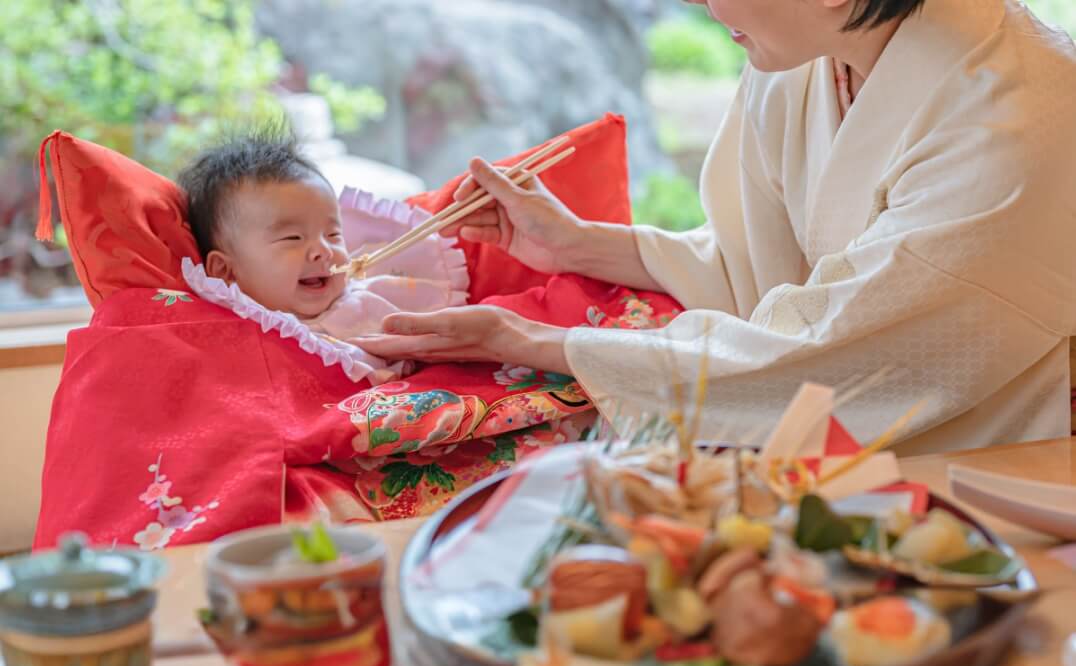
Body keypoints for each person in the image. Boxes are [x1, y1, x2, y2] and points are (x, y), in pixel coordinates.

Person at [364, 0, 1076, 453]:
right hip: (833, 388)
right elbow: (756, 266)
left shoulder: (1016, 118)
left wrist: (537, 341)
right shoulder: (804, 50)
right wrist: (573, 243)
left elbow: (839, 351)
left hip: (991, 459)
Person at [178, 128, 462, 347]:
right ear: (226, 271)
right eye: (292, 238)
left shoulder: (368, 305)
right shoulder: (224, 334)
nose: (323, 250)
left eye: (333, 234)